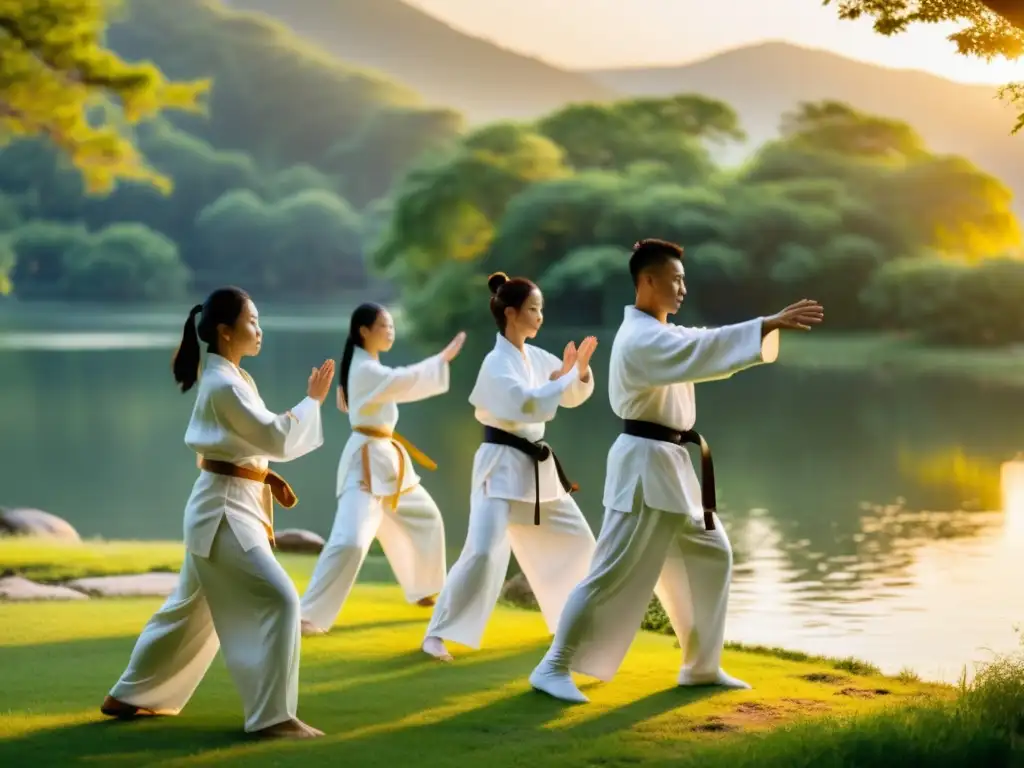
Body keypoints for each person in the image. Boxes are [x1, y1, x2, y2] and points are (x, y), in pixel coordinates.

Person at [529, 239, 824, 703]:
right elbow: (703, 347)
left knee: (713, 553)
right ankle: (553, 666)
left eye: (684, 279)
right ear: (648, 281)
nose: (683, 287)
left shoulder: (659, 331)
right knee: (609, 573)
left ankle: (700, 667)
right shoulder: (641, 338)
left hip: (670, 466)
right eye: (676, 278)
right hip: (644, 468)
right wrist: (766, 323)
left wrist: (762, 328)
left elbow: (697, 339)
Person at [99, 288, 335, 738]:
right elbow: (276, 438)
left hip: (225, 503)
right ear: (226, 332)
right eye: (252, 321)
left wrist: (308, 406)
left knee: (189, 609)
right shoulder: (225, 384)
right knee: (281, 600)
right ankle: (274, 717)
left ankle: (128, 694)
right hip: (224, 511)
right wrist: (312, 401)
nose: (259, 329)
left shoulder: (233, 379)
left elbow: (263, 438)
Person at [421, 272, 599, 662]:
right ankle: (437, 634)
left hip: (537, 470)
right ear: (512, 313)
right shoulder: (495, 363)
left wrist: (578, 372)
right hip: (500, 468)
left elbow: (567, 395)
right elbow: (524, 402)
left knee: (580, 543)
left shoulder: (535, 356)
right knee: (482, 552)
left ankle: (569, 623)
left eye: (541, 310)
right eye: (533, 309)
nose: (540, 317)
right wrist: (563, 376)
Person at [299, 303, 465, 635]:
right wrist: (440, 361)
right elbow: (400, 380)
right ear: (364, 331)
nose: (390, 331)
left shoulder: (366, 366)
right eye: (384, 326)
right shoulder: (365, 369)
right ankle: (308, 616)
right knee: (350, 542)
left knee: (427, 518)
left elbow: (393, 381)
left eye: (391, 326)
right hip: (364, 465)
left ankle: (423, 589)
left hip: (388, 460)